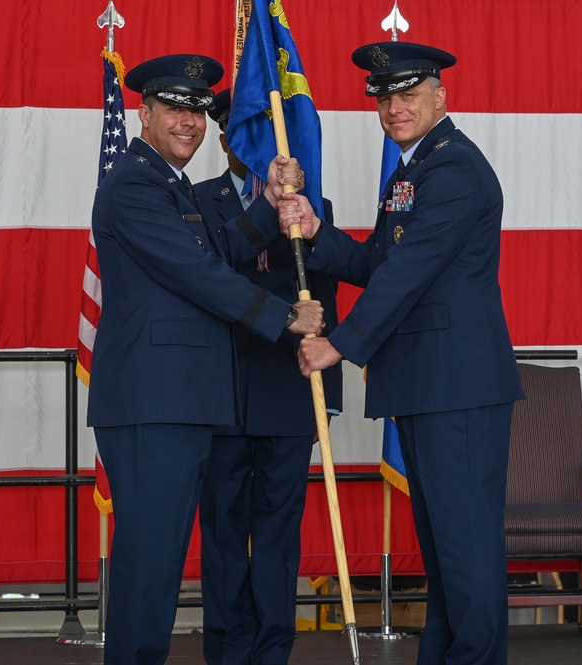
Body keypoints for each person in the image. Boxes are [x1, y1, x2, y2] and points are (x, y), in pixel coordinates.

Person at [283, 42, 525, 665]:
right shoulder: (415, 170)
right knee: (446, 551)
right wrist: (317, 232)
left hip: (458, 388)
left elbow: (410, 272)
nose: (395, 107)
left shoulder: (454, 169)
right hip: (429, 384)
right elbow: (379, 262)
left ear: (441, 96)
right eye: (385, 97)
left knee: (465, 548)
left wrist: (340, 343)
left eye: (408, 94)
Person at [87, 54, 320, 665]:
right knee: (151, 560)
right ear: (144, 112)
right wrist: (285, 318)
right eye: (175, 108)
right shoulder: (135, 182)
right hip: (152, 402)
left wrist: (270, 203)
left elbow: (221, 250)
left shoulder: (169, 183)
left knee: (159, 559)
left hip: (178, 403)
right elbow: (195, 274)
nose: (189, 122)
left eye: (196, 110)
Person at [194, 89, 343, 665]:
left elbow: (323, 303)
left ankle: (272, 651)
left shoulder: (310, 204)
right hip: (223, 393)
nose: (246, 144)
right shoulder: (198, 202)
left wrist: (323, 403)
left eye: (259, 133)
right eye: (237, 133)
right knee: (224, 535)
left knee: (279, 539)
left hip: (288, 393)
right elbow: (212, 278)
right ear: (225, 137)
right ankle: (228, 651)